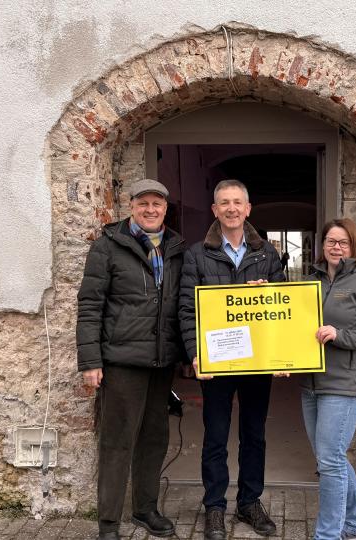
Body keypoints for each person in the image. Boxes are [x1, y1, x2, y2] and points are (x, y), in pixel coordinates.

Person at [76, 179, 186, 540]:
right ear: (131, 206)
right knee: (117, 440)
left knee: (154, 438)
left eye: (157, 204)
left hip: (161, 361)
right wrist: (90, 361)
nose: (150, 210)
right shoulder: (108, 246)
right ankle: (108, 521)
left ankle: (145, 509)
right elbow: (90, 306)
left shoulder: (176, 248)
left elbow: (191, 302)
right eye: (143, 204)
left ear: (165, 209)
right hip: (122, 361)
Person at [178, 179, 286, 539]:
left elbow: (282, 307)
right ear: (215, 210)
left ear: (248, 208)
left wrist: (269, 297)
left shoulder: (266, 254)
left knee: (254, 435)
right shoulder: (197, 254)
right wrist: (195, 354)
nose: (231, 208)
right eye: (224, 202)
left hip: (257, 360)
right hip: (218, 360)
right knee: (216, 436)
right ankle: (214, 507)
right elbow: (187, 309)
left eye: (237, 202)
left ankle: (250, 502)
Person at [301, 218, 356, 540]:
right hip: (311, 383)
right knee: (332, 459)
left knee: (329, 461)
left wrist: (340, 335)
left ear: (353, 247)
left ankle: (327, 535)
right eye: (330, 241)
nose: (336, 247)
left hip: (344, 384)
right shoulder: (311, 280)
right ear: (321, 245)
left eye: (343, 242)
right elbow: (295, 327)